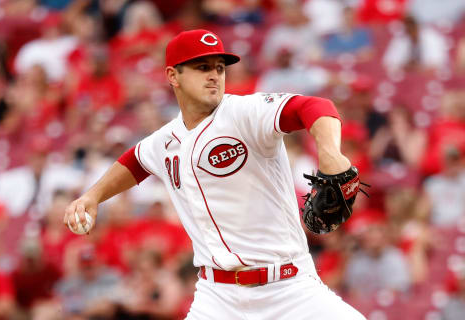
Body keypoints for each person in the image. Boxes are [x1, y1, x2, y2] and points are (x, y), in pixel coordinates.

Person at [64, 29, 366, 319]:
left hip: (289, 288)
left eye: (220, 68)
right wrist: (93, 196)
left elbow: (314, 106)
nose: (214, 75)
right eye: (202, 67)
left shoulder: (245, 112)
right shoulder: (165, 140)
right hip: (218, 298)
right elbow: (135, 162)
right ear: (173, 76)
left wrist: (329, 154)